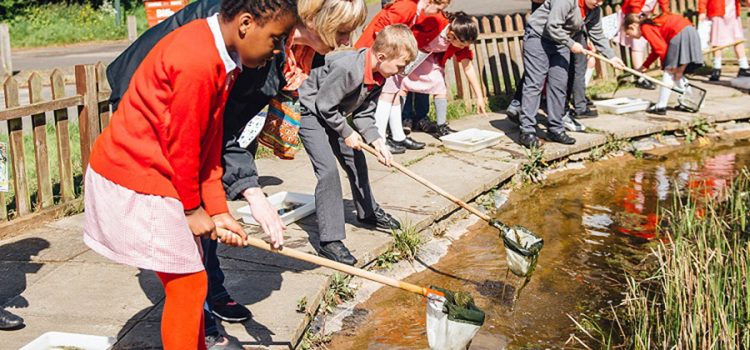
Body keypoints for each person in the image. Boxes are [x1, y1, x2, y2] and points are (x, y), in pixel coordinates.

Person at [83, 1, 297, 348]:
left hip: (162, 170)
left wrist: (217, 209)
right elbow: (182, 144)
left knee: (191, 276)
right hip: (136, 173)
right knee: (189, 282)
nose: (278, 51)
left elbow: (210, 141)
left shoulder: (225, 57)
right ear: (245, 23)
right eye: (276, 39)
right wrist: (191, 210)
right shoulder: (197, 58)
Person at [298, 24, 418, 265]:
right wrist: (345, 131)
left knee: (356, 158)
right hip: (310, 111)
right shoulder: (347, 67)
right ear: (382, 56)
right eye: (400, 66)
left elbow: (363, 114)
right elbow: (323, 105)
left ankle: (368, 213)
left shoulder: (380, 74)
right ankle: (330, 240)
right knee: (328, 171)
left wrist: (377, 140)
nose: (401, 72)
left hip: (334, 111)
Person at [518, 0, 624, 149]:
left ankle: (555, 128)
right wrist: (571, 44)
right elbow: (552, 26)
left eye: (602, 0)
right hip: (538, 37)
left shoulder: (594, 10)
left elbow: (597, 34)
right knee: (536, 82)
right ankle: (527, 131)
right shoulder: (566, 1)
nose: (599, 3)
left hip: (560, 41)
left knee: (559, 84)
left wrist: (611, 57)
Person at [356, 0, 452, 153]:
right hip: (380, 55)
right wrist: (390, 56)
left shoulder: (415, 10)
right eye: (440, 7)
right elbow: (381, 28)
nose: (439, 12)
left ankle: (398, 136)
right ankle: (380, 138)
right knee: (386, 94)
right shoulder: (407, 6)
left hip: (390, 56)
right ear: (430, 2)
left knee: (394, 93)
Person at [381, 11, 484, 141]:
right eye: (462, 45)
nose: (463, 47)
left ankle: (441, 126)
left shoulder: (459, 40)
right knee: (402, 86)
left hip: (431, 60)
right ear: (452, 35)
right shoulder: (437, 22)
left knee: (440, 87)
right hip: (413, 54)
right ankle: (395, 126)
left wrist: (479, 96)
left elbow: (468, 67)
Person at [624, 12, 704, 115]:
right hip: (689, 31)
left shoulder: (645, 27)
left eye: (628, 33)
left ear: (633, 26)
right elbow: (656, 50)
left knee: (670, 71)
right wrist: (644, 66)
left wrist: (667, 65)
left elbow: (661, 48)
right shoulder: (650, 25)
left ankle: (661, 106)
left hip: (679, 33)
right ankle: (692, 103)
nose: (628, 36)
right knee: (677, 74)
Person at [505, 0, 545, 123]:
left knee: (539, 71)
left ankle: (518, 104)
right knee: (536, 71)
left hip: (551, 25)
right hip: (541, 27)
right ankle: (519, 105)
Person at [618, 0, 670, 89]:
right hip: (633, 15)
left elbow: (664, 2)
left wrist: (666, 13)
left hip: (643, 15)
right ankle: (640, 77)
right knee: (637, 46)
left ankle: (641, 73)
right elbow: (635, 3)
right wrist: (636, 19)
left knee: (641, 44)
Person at [698, 0, 750, 81]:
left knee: (738, 39)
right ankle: (717, 67)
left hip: (733, 12)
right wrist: (702, 11)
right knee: (717, 40)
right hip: (717, 10)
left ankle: (744, 66)